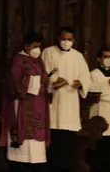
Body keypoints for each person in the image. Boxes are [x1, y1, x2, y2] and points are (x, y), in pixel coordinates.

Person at [0, 32, 51, 171]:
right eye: (34, 46)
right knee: (21, 156)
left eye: (39, 46)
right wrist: (39, 81)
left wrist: (49, 83)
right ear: (26, 45)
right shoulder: (18, 60)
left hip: (38, 106)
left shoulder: (39, 61)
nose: (37, 50)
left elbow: (44, 82)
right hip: (22, 105)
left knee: (36, 155)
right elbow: (15, 83)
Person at [42, 26, 91, 172]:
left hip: (71, 102)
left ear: (73, 40)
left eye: (69, 39)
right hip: (55, 101)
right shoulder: (48, 52)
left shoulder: (78, 56)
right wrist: (54, 82)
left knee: (69, 141)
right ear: (58, 38)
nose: (66, 42)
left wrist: (81, 83)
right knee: (55, 139)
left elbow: (85, 76)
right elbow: (43, 74)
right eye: (64, 39)